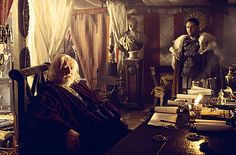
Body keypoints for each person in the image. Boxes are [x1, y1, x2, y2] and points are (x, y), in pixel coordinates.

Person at [27, 54, 129, 155]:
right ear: (55, 71)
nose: (69, 72)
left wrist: (114, 113)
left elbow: (98, 101)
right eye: (64, 68)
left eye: (71, 68)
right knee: (116, 134)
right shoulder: (50, 90)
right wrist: (66, 131)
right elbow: (47, 113)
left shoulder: (77, 85)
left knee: (122, 129)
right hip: (83, 127)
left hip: (96, 119)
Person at [169, 17, 221, 96]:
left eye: (192, 27)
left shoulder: (203, 41)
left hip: (199, 75)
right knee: (185, 96)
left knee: (198, 97)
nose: (189, 29)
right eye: (188, 27)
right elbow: (177, 57)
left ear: (197, 27)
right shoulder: (182, 41)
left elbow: (210, 58)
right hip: (185, 74)